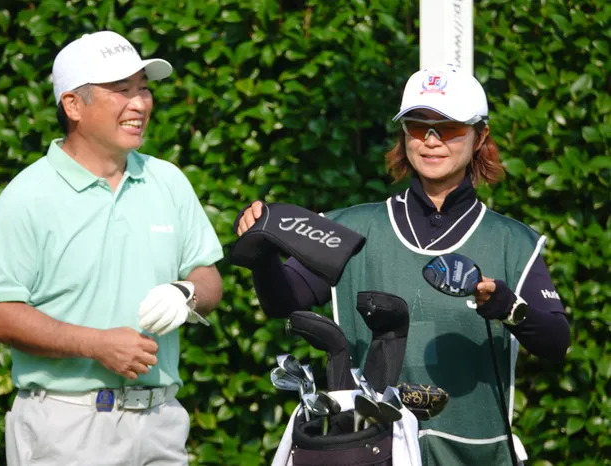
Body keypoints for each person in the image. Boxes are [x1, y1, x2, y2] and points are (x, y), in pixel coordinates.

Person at [235, 65, 570, 465]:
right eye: (417, 126)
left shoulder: (513, 241)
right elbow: (284, 302)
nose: (431, 140)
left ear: (480, 136)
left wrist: (507, 307)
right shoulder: (349, 227)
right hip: (373, 453)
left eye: (448, 128)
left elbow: (555, 342)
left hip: (476, 455)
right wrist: (262, 254)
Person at [0, 30, 224, 466]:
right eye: (122, 90)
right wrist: (96, 345)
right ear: (73, 105)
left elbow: (208, 277)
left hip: (162, 422)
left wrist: (186, 293)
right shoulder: (27, 196)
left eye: (143, 88)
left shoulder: (168, 181)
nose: (140, 103)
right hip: (66, 428)